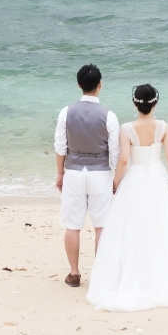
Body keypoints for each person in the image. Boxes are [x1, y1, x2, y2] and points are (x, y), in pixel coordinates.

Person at [86, 84, 168, 310]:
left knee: (131, 227)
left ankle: (133, 272)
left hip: (135, 180)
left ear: (134, 103)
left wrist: (116, 183)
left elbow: (124, 160)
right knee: (160, 226)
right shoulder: (163, 127)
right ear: (155, 104)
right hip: (156, 177)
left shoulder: (127, 128)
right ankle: (160, 272)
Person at [54, 63, 118, 288]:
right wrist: (115, 180)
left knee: (73, 225)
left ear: (79, 85)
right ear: (100, 85)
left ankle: (74, 272)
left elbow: (60, 147)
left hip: (73, 172)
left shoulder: (66, 112)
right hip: (100, 173)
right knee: (101, 225)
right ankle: (100, 274)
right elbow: (116, 153)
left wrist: (60, 173)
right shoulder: (109, 115)